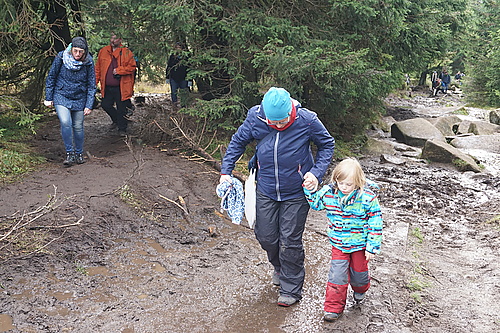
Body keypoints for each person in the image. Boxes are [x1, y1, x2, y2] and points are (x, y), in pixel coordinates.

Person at [219, 87, 335, 307]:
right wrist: (226, 171)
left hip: (297, 191)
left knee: (290, 240)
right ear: (265, 115)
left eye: (283, 121)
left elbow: (327, 144)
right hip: (266, 188)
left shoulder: (307, 120)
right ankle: (280, 267)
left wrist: (316, 173)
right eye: (275, 123)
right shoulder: (255, 117)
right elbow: (237, 142)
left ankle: (291, 288)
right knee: (266, 236)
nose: (280, 126)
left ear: (291, 111)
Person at [303, 158, 383, 322]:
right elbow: (316, 204)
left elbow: (376, 222)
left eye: (349, 184)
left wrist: (371, 247)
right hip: (339, 244)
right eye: (341, 183)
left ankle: (361, 289)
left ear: (358, 182)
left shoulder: (367, 198)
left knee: (359, 275)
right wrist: (310, 190)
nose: (344, 188)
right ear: (336, 180)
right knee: (337, 276)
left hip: (360, 245)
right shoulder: (329, 194)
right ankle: (333, 308)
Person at [44, 37, 96, 166]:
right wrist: (48, 97)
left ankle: (79, 154)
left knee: (78, 126)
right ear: (71, 49)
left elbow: (91, 85)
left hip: (79, 97)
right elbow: (51, 77)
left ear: (85, 52)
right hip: (61, 95)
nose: (77, 54)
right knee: (66, 122)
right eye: (75, 51)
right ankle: (70, 154)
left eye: (81, 52)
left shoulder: (89, 62)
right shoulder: (61, 57)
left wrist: (89, 105)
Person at [95, 32, 136, 135]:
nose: (113, 40)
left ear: (120, 40)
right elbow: (98, 69)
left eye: (115, 38)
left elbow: (132, 67)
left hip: (122, 86)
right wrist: (94, 83)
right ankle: (116, 120)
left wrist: (120, 70)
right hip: (107, 86)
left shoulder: (127, 52)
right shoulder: (103, 51)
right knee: (105, 105)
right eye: (111, 38)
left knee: (121, 108)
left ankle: (122, 129)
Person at [166, 42, 189, 107]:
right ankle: (174, 105)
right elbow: (169, 67)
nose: (178, 49)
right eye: (177, 48)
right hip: (173, 78)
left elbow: (189, 68)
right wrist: (167, 77)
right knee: (173, 93)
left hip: (184, 78)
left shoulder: (186, 57)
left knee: (183, 93)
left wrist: (190, 80)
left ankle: (184, 106)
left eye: (179, 47)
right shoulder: (172, 57)